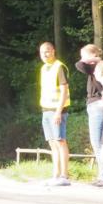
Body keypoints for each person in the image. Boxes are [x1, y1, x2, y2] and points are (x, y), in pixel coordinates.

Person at [74, 44, 103, 186]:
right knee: (101, 143)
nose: (82, 58)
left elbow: (79, 65)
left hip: (97, 105)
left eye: (84, 55)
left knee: (97, 142)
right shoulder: (98, 66)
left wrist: (93, 59)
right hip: (96, 105)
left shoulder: (97, 66)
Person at [38, 42, 71, 185]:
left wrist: (58, 111)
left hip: (57, 110)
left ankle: (64, 175)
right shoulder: (44, 68)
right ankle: (55, 175)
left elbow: (64, 91)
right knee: (52, 143)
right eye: (42, 52)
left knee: (60, 141)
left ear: (53, 51)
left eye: (47, 51)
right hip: (46, 109)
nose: (45, 54)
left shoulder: (59, 67)